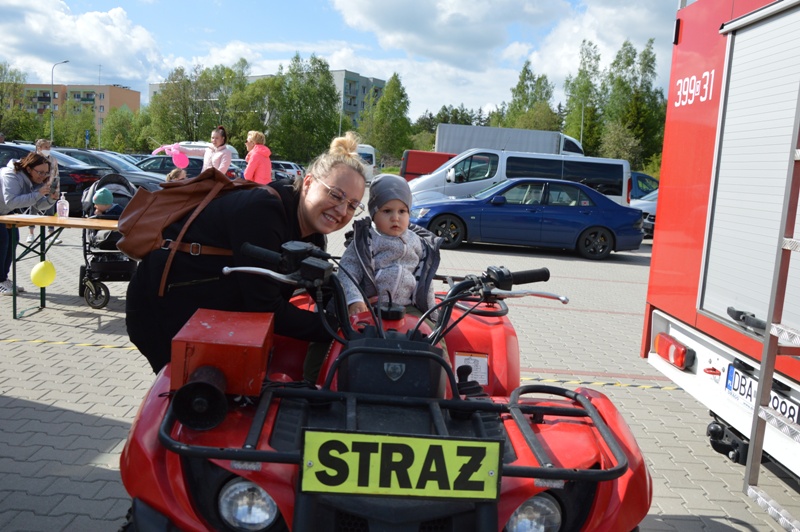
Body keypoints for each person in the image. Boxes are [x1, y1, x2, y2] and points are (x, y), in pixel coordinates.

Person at [126, 131, 367, 373]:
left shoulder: (311, 233)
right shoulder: (264, 212)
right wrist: (337, 328)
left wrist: (356, 310)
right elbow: (266, 306)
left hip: (207, 315)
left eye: (352, 205)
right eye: (335, 195)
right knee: (192, 389)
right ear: (308, 182)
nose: (341, 210)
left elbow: (322, 287)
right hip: (163, 309)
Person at [338, 174, 442, 317]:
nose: (395, 218)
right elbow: (347, 271)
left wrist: (431, 311)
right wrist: (355, 300)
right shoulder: (365, 240)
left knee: (427, 330)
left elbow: (425, 279)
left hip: (407, 307)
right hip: (370, 305)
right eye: (387, 211)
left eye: (402, 211)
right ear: (374, 213)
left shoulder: (418, 241)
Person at [0, 153, 59, 295]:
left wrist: (51, 199)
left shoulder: (33, 180)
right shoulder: (11, 175)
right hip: (5, 208)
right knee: (3, 240)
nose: (42, 176)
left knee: (13, 240)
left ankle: (3, 278)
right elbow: (11, 201)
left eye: (46, 173)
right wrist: (38, 194)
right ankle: (0, 281)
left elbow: (37, 205)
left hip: (4, 211)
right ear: (28, 169)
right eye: (40, 172)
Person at [26, 139, 62, 245]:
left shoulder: (53, 159)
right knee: (33, 210)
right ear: (39, 148)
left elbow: (56, 175)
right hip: (36, 187)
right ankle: (31, 234)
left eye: (49, 147)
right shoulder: (33, 159)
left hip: (50, 187)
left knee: (50, 210)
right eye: (46, 147)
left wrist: (56, 189)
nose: (48, 149)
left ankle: (51, 235)